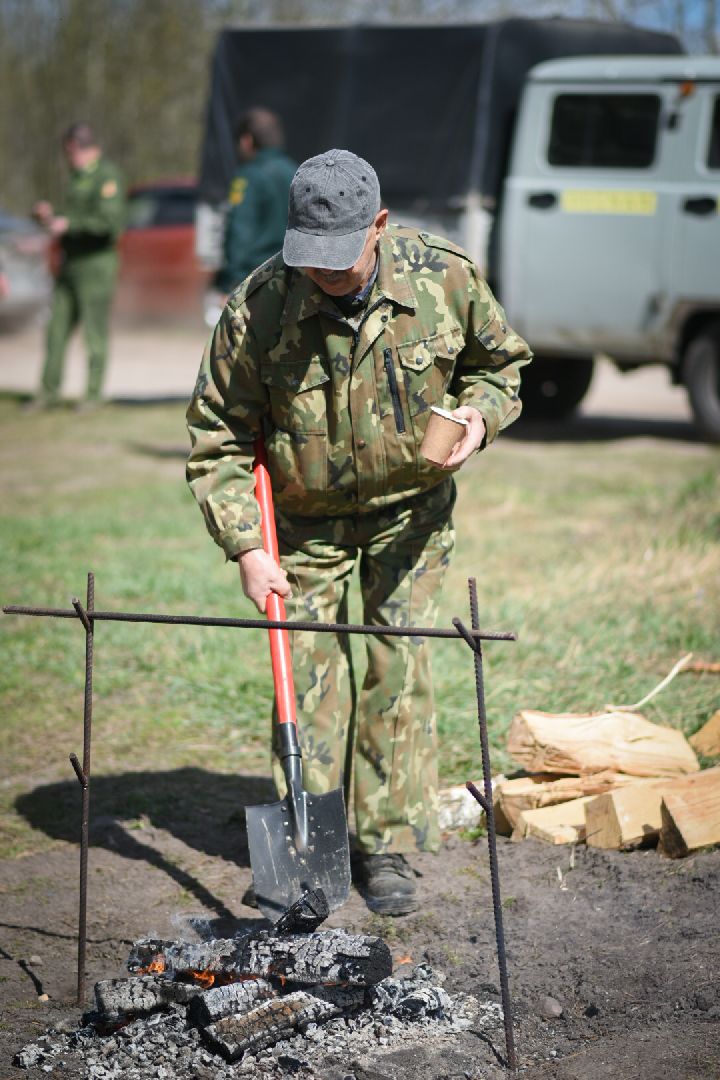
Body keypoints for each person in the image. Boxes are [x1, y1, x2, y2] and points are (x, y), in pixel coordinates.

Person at [186, 149, 532, 916]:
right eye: (310, 256)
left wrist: (480, 416)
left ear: (379, 225)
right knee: (309, 681)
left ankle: (385, 844)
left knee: (395, 668)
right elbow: (218, 435)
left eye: (340, 255)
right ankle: (311, 847)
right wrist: (247, 545)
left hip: (411, 516)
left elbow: (502, 367)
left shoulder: (444, 278)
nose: (324, 272)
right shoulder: (260, 306)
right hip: (302, 526)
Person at [31, 123, 126, 407]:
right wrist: (51, 216)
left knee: (94, 332)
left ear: (81, 147)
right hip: (70, 263)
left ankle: (93, 395)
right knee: (55, 329)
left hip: (96, 264)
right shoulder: (76, 177)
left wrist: (70, 224)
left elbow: (108, 223)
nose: (68, 158)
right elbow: (69, 215)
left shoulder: (107, 176)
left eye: (70, 153)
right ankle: (48, 392)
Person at [213, 108, 297, 300]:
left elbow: (240, 232)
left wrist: (230, 281)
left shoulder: (248, 177)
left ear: (247, 141)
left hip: (254, 282)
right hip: (293, 279)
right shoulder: (297, 172)